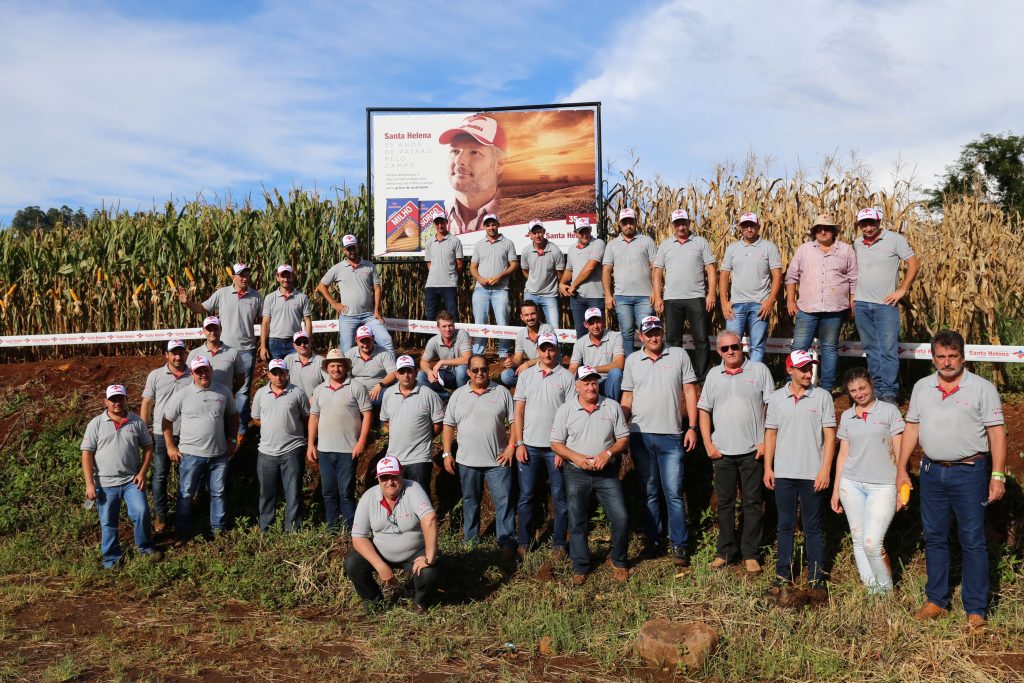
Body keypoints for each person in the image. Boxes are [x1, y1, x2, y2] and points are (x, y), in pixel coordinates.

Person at [897, 330, 1006, 631]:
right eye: (941, 357)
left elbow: (997, 433)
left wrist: (997, 475)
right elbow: (912, 428)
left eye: (952, 356)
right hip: (932, 472)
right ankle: (936, 600)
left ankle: (975, 609)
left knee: (972, 540)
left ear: (963, 356)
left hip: (970, 473)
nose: (946, 362)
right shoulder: (922, 387)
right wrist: (901, 468)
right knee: (934, 536)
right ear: (933, 358)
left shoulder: (982, 389)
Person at [620, 315, 699, 567]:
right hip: (640, 435)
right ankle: (654, 540)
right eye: (649, 333)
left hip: (671, 435)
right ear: (641, 337)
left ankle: (679, 545)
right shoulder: (633, 360)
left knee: (674, 492)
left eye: (658, 331)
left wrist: (693, 427)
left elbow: (689, 391)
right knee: (649, 490)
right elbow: (627, 397)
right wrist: (621, 427)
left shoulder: (678, 356)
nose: (654, 336)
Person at [698, 330, 774, 575]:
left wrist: (764, 442)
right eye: (725, 349)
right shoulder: (713, 375)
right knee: (725, 504)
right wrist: (708, 443)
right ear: (718, 351)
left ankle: (750, 553)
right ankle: (726, 551)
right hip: (722, 452)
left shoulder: (759, 371)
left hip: (753, 450)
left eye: (734, 346)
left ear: (741, 347)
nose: (730, 351)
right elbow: (703, 410)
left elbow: (771, 407)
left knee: (753, 503)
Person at [763, 350, 837, 597]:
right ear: (790, 370)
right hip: (784, 473)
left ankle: (816, 579)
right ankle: (782, 574)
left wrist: (825, 469)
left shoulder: (822, 396)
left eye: (810, 368)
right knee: (784, 525)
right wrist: (768, 467)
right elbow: (771, 434)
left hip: (812, 474)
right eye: (803, 368)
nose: (808, 373)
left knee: (813, 526)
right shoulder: (776, 398)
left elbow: (829, 436)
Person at [550, 366, 631, 585]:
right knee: (577, 520)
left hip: (606, 473)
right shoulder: (566, 410)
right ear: (577, 386)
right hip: (576, 472)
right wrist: (574, 457)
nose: (591, 387)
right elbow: (556, 443)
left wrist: (608, 453)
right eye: (586, 382)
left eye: (594, 382)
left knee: (621, 517)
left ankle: (618, 560)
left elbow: (623, 439)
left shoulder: (611, 407)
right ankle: (580, 565)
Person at [830, 367, 905, 593]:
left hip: (883, 486)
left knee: (872, 543)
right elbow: (843, 454)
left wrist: (902, 486)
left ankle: (886, 592)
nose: (859, 393)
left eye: (862, 388)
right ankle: (871, 589)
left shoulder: (889, 411)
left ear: (871, 384)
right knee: (859, 539)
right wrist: (835, 491)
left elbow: (901, 452)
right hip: (851, 484)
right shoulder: (847, 416)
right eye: (853, 391)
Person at [176, 262, 261, 441]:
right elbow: (202, 309)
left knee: (243, 392)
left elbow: (265, 320)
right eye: (241, 275)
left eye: (247, 275)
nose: (244, 278)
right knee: (217, 387)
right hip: (222, 350)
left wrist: (265, 344)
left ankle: (241, 430)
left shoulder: (256, 297)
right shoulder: (222, 293)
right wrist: (187, 303)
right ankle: (217, 423)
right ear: (233, 277)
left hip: (246, 350)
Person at [442, 354, 516, 558]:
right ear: (468, 372)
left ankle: (506, 541)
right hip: (467, 461)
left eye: (483, 369)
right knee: (470, 501)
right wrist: (447, 452)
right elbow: (448, 425)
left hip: (497, 461)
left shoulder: (501, 392)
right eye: (475, 370)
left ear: (489, 370)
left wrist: (512, 446)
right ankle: (471, 540)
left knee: (504, 500)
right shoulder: (458, 395)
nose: (480, 373)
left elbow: (515, 422)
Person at [345, 456, 440, 613]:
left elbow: (429, 518)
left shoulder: (413, 489)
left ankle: (421, 602)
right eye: (384, 478)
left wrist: (430, 557)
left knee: (428, 571)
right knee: (352, 562)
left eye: (394, 476)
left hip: (415, 552)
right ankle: (373, 601)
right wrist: (380, 565)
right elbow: (358, 537)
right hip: (381, 552)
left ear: (402, 474)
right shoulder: (369, 497)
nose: (390, 482)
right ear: (378, 479)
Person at [81, 384, 162, 568]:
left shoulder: (136, 422)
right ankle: (111, 559)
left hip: (131, 481)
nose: (117, 402)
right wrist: (89, 484)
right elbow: (87, 453)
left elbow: (148, 447)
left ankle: (146, 549)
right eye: (113, 399)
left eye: (120, 398)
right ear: (106, 402)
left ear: (126, 399)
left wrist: (142, 473)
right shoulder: (96, 424)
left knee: (141, 512)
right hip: (105, 482)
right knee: (108, 521)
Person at [162, 356, 239, 545]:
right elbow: (166, 420)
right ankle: (182, 532)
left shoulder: (223, 392)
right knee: (186, 493)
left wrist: (232, 439)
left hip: (218, 454)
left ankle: (218, 531)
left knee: (218, 492)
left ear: (211, 369)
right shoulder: (183, 394)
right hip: (191, 454)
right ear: (192, 373)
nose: (203, 374)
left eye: (205, 370)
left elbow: (233, 415)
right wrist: (170, 445)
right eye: (198, 371)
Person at [512, 332, 574, 559]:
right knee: (526, 495)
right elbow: (518, 412)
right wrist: (519, 443)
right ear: (537, 350)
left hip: (554, 450)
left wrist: (563, 449)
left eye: (552, 348)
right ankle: (524, 541)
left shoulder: (567, 378)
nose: (547, 353)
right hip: (529, 446)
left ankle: (559, 543)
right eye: (543, 348)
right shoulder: (526, 376)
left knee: (560, 497)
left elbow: (569, 416)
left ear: (558, 350)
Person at [853, 208, 920, 403]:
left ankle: (890, 393)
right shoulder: (857, 243)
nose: (868, 227)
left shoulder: (894, 239)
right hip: (862, 305)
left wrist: (902, 290)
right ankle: (878, 389)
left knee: (888, 350)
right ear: (859, 225)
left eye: (871, 222)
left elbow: (914, 264)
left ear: (878, 221)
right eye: (863, 224)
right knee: (871, 349)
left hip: (885, 306)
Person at [786, 214, 858, 392]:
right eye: (818, 229)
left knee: (829, 349)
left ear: (833, 231)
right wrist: (790, 300)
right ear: (814, 232)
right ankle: (796, 386)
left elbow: (854, 279)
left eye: (826, 228)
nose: (822, 231)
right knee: (799, 348)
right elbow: (791, 276)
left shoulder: (846, 250)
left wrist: (853, 303)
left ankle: (826, 389)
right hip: (807, 308)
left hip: (835, 309)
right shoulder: (804, 250)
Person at [307, 349, 372, 532]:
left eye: (339, 365)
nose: (336, 369)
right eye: (332, 365)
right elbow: (314, 418)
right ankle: (332, 528)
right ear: (327, 368)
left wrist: (361, 442)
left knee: (346, 492)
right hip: (325, 450)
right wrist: (311, 444)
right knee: (328, 492)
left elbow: (367, 415)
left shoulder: (356, 387)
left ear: (345, 367)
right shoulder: (319, 390)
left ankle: (352, 529)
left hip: (348, 449)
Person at [652, 209, 717, 382]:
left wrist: (711, 293)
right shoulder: (665, 245)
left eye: (684, 223)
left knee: (701, 339)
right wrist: (658, 297)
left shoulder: (700, 242)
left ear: (689, 223)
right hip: (672, 299)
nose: (681, 227)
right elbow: (657, 272)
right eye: (677, 224)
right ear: (673, 225)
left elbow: (711, 269)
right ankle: (676, 376)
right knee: (673, 341)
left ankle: (703, 377)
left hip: (696, 297)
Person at [251, 359, 309, 532]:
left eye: (281, 373)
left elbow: (306, 418)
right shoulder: (261, 394)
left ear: (287, 373)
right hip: (266, 452)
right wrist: (271, 425)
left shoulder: (297, 393)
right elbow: (256, 418)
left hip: (292, 450)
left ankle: (293, 531)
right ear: (268, 374)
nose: (278, 376)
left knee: (293, 493)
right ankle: (265, 530)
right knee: (267, 494)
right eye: (274, 373)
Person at [140, 339, 191, 533]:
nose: (177, 357)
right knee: (160, 475)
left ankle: (182, 515)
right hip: (161, 434)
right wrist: (144, 430)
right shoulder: (156, 375)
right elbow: (147, 403)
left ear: (185, 354)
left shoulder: (192, 375)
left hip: (186, 434)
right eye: (173, 353)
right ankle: (160, 516)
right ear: (166, 355)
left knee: (184, 477)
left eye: (180, 352)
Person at [720, 212, 783, 363]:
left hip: (759, 305)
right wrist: (724, 302)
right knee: (731, 345)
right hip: (736, 306)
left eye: (752, 225)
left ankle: (755, 381)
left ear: (758, 227)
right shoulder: (732, 249)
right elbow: (723, 276)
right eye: (745, 226)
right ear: (740, 228)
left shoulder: (769, 248)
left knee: (757, 346)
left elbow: (777, 277)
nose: (749, 229)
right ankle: (732, 377)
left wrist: (770, 301)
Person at [317, 233, 393, 353]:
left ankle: (392, 370)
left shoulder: (369, 266)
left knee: (386, 340)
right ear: (344, 250)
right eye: (348, 249)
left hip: (369, 315)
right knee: (346, 349)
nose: (351, 251)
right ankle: (348, 372)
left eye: (353, 247)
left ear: (357, 247)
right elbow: (321, 286)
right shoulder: (337, 268)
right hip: (348, 317)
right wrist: (334, 303)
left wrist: (377, 310)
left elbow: (377, 288)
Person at [380, 355, 445, 495]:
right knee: (397, 500)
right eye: (402, 371)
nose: (406, 375)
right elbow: (386, 421)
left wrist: (425, 436)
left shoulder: (429, 394)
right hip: (394, 459)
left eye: (409, 371)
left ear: (416, 372)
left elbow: (438, 424)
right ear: (396, 374)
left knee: (420, 499)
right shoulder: (388, 394)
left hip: (419, 459)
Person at [439, 114, 507, 235]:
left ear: (500, 164)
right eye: (455, 151)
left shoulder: (516, 218)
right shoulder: (434, 218)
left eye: (474, 152)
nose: (459, 161)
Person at [602, 207, 657, 355]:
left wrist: (655, 292)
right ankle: (629, 365)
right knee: (626, 333)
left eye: (630, 221)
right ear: (619, 224)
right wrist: (608, 295)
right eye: (624, 222)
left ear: (635, 221)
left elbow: (655, 269)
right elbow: (606, 271)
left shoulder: (647, 241)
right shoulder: (612, 245)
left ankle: (647, 362)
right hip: (622, 297)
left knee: (647, 331)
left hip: (645, 297)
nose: (628, 225)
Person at [469, 214, 518, 357]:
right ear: (484, 227)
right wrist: (480, 278)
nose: (491, 227)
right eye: (488, 225)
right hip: (481, 289)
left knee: (503, 321)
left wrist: (500, 276)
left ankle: (503, 353)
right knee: (479, 322)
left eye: (493, 224)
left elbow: (514, 264)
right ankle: (478, 354)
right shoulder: (479, 244)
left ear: (498, 224)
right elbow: (473, 267)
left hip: (501, 289)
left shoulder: (507, 243)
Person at [561, 217, 606, 338]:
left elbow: (590, 268)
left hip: (595, 296)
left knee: (598, 332)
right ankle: (584, 357)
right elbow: (569, 269)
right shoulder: (571, 249)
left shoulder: (598, 243)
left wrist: (573, 286)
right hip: (577, 297)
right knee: (581, 333)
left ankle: (600, 357)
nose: (584, 234)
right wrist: (562, 283)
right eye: (581, 231)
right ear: (575, 233)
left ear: (591, 230)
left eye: (587, 230)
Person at [568, 307, 625, 401]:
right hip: (589, 381)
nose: (595, 326)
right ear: (585, 325)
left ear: (603, 321)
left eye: (598, 321)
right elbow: (573, 367)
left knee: (616, 373)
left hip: (608, 382)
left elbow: (619, 365)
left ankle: (611, 405)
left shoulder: (615, 337)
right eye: (591, 323)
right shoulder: (580, 343)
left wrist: (592, 370)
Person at [260, 264, 313, 361]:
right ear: (277, 277)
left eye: (288, 276)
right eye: (282, 276)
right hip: (274, 343)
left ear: (292, 276)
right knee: (277, 373)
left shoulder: (302, 297)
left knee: (294, 373)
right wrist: (263, 346)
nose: (285, 279)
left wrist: (307, 342)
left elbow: (308, 321)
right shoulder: (270, 298)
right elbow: (265, 323)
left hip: (295, 342)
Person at [520, 219, 566, 327]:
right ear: (530, 235)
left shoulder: (554, 250)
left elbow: (560, 273)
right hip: (530, 293)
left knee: (554, 326)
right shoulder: (526, 251)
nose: (537, 235)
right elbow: (525, 271)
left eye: (539, 232)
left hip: (549, 295)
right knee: (530, 325)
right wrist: (534, 281)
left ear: (544, 231)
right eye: (534, 233)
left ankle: (554, 344)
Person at [500, 299, 554, 388]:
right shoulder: (520, 334)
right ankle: (533, 382)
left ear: (538, 314)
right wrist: (511, 362)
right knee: (506, 376)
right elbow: (517, 359)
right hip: (533, 368)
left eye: (533, 314)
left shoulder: (548, 329)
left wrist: (528, 363)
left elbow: (549, 356)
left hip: (549, 366)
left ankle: (532, 383)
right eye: (526, 315)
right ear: (522, 317)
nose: (530, 318)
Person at [186, 316, 244, 396]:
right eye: (209, 329)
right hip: (199, 402)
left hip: (224, 402)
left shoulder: (233, 353)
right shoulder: (194, 354)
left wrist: (228, 394)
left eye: (215, 329)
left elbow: (241, 379)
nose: (212, 332)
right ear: (203, 330)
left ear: (221, 329)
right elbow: (188, 378)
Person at [418, 311, 471, 395]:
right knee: (420, 376)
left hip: (464, 375)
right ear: (438, 328)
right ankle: (445, 396)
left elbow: (467, 359)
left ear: (454, 325)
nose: (448, 329)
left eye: (450, 325)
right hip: (446, 375)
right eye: (444, 326)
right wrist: (429, 372)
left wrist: (442, 362)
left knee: (461, 370)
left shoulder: (462, 334)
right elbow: (424, 361)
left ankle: (463, 396)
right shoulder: (433, 341)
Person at [423, 215, 464, 321]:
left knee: (452, 315)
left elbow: (459, 265)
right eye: (437, 223)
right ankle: (431, 338)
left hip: (449, 285)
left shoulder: (455, 241)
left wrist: (451, 277)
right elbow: (429, 263)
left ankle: (454, 338)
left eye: (442, 222)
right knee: (431, 316)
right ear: (434, 224)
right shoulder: (429, 242)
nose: (440, 225)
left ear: (447, 222)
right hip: (431, 285)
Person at [345, 325, 397, 406]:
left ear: (373, 338)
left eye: (368, 340)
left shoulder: (384, 353)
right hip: (355, 390)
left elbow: (393, 373)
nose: (365, 345)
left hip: (378, 390)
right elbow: (345, 376)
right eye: (362, 341)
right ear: (356, 340)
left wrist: (380, 385)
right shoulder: (350, 354)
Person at [284, 330, 326, 398]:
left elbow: (329, 382)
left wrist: (314, 397)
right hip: (294, 402)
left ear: (310, 343)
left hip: (315, 401)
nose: (302, 345)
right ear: (294, 345)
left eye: (305, 342)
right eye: (298, 343)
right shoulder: (288, 360)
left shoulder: (320, 361)